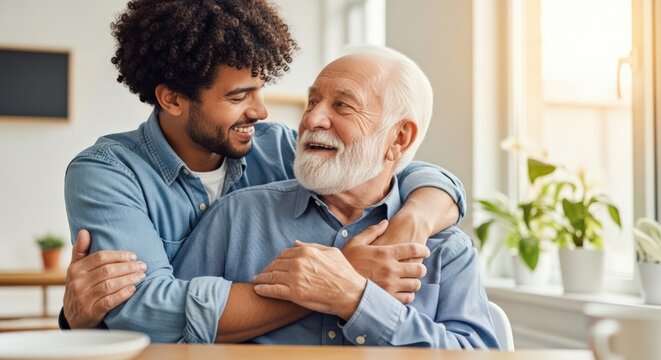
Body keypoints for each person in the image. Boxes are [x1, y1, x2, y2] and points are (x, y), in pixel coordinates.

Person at [61, 0, 467, 344]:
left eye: (259, 88)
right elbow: (144, 314)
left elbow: (384, 161)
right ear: (172, 99)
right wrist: (339, 278)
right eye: (238, 97)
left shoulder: (274, 145)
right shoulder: (109, 173)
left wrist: (416, 217)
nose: (259, 111)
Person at [173, 46, 498, 348]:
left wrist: (357, 298)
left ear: (399, 138)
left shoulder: (445, 250)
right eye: (312, 102)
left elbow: (476, 353)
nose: (311, 119)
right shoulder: (237, 216)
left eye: (342, 105)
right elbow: (172, 333)